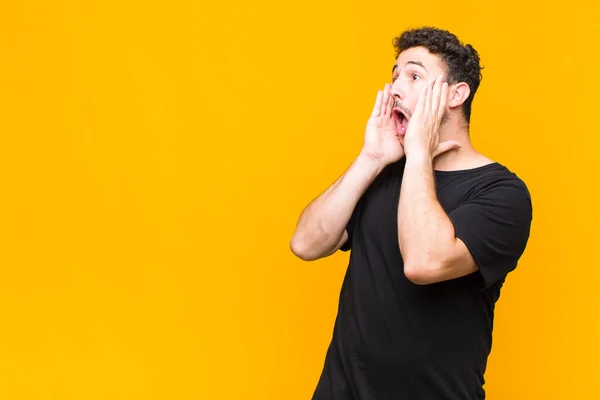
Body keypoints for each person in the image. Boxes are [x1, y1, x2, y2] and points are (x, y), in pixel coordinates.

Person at [290, 26, 533, 400]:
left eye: (414, 75)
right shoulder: (382, 173)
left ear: (456, 94)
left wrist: (419, 150)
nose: (395, 89)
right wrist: (371, 158)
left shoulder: (502, 194)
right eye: (395, 76)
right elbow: (306, 244)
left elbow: (423, 263)